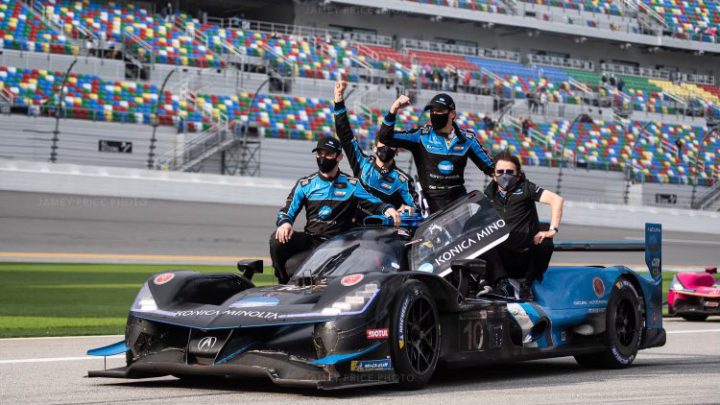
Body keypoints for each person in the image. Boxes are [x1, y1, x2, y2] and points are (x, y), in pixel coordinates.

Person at [270, 136, 400, 284]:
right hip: (312, 240)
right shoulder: (305, 185)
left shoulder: (352, 185)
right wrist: (285, 223)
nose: (323, 157)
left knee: (295, 266)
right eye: (320, 153)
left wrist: (387, 208)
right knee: (277, 239)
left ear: (339, 157)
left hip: (338, 244)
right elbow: (286, 211)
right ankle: (282, 282)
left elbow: (374, 203)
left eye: (328, 154)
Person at [377, 93, 495, 213]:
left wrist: (493, 196)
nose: (435, 114)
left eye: (440, 110)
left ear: (452, 114)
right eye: (432, 111)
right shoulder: (420, 136)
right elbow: (384, 138)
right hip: (431, 205)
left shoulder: (468, 139)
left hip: (460, 205)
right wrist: (394, 109)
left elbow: (491, 168)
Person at [483, 150, 564, 297]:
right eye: (500, 171)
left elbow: (556, 200)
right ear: (494, 176)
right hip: (503, 256)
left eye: (509, 171)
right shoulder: (488, 194)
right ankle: (501, 284)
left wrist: (552, 230)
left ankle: (528, 283)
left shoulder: (526, 188)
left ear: (518, 174)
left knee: (546, 243)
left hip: (526, 255)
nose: (504, 175)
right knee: (481, 240)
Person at [332, 81, 417, 213]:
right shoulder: (362, 163)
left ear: (397, 151)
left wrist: (407, 209)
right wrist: (338, 99)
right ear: (374, 147)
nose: (387, 147)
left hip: (384, 230)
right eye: (383, 143)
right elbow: (345, 135)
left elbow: (416, 209)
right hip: (356, 226)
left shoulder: (403, 180)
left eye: (391, 145)